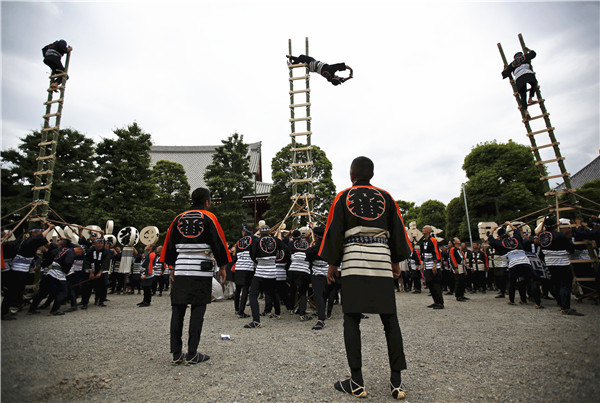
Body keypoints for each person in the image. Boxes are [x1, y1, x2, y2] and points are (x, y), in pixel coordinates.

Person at [320, 156, 411, 399]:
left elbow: (334, 230)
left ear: (352, 175)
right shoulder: (386, 197)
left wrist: (332, 263)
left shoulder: (343, 197)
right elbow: (398, 231)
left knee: (351, 318)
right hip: (381, 257)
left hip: (353, 259)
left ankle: (357, 381)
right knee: (390, 320)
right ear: (371, 174)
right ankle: (397, 383)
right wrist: (395, 261)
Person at [160, 187, 230, 365]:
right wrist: (222, 265)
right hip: (200, 268)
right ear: (207, 202)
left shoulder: (178, 218)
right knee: (198, 311)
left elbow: (169, 243)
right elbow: (218, 241)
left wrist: (172, 266)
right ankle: (192, 353)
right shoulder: (209, 217)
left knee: (178, 311)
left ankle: (176, 354)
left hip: (182, 268)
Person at [2, 225, 54, 320]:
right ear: (33, 233)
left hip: (22, 270)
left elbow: (44, 242)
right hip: (18, 270)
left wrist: (46, 227)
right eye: (38, 232)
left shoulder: (30, 242)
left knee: (17, 291)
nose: (40, 234)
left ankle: (12, 308)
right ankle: (4, 312)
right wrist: (49, 228)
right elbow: (41, 237)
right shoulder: (29, 241)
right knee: (12, 292)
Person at [488, 223, 543, 309]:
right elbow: (516, 231)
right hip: (525, 261)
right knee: (532, 281)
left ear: (499, 236)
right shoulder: (516, 239)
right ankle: (538, 303)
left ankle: (512, 300)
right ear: (508, 233)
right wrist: (510, 224)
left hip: (513, 263)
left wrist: (492, 230)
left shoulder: (500, 242)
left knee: (512, 283)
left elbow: (491, 241)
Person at [538, 217, 582, 316]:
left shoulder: (541, 236)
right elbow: (571, 248)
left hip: (549, 262)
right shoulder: (560, 235)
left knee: (557, 284)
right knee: (565, 285)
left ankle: (561, 304)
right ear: (556, 225)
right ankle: (566, 307)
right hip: (561, 262)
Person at [245, 223, 283, 328]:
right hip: (272, 270)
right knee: (273, 292)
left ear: (260, 232)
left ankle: (256, 321)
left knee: (253, 295)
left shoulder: (256, 241)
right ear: (269, 231)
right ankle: (278, 313)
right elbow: (281, 250)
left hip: (261, 270)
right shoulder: (275, 240)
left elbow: (252, 255)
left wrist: (257, 261)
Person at [501, 48, 537, 118]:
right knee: (534, 83)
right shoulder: (525, 57)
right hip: (527, 73)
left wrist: (504, 68)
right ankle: (530, 98)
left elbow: (504, 74)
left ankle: (526, 111)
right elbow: (533, 54)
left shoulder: (512, 64)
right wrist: (528, 49)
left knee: (523, 95)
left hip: (519, 78)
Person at [306, 226, 328, 330]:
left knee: (318, 295)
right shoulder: (330, 245)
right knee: (325, 295)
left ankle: (321, 319)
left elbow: (308, 257)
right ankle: (325, 313)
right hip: (329, 271)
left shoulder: (315, 248)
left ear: (316, 237)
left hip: (317, 272)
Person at [233, 225, 256, 318]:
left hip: (238, 266)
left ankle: (237, 309)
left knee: (237, 289)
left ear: (244, 232)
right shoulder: (253, 239)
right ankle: (241, 312)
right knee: (245, 289)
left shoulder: (239, 241)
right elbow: (254, 252)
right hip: (248, 266)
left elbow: (235, 255)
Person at [287, 54, 353, 86]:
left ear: (336, 78)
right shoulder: (329, 79)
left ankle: (291, 65)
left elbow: (344, 66)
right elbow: (342, 80)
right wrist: (349, 77)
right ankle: (291, 58)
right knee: (302, 59)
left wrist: (351, 70)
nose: (338, 76)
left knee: (301, 57)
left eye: (338, 77)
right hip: (312, 68)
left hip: (313, 63)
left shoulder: (332, 70)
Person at [420, 226, 444, 309]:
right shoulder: (423, 241)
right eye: (423, 229)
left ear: (429, 231)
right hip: (426, 264)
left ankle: (440, 302)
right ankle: (435, 301)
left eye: (425, 229)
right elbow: (422, 254)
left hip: (433, 264)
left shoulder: (433, 240)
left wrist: (435, 265)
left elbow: (436, 252)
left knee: (435, 283)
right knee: (429, 282)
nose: (423, 230)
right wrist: (422, 264)